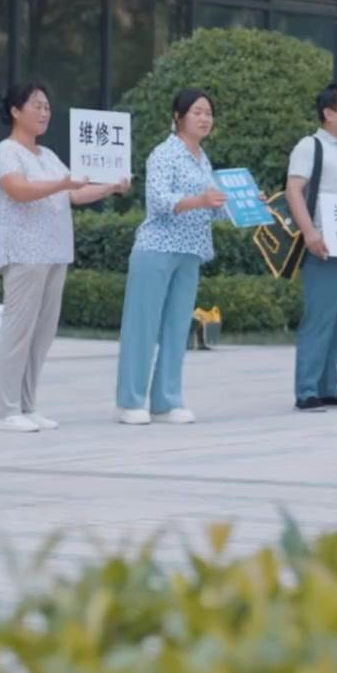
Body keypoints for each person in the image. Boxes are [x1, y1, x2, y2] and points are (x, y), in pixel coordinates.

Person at [0, 79, 128, 432]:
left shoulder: (47, 156)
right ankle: (4, 411)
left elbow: (74, 193)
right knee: (18, 332)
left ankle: (27, 405)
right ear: (15, 111)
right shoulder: (5, 152)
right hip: (24, 253)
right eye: (36, 105)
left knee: (41, 334)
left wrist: (111, 187)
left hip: (55, 252)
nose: (44, 112)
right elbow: (19, 190)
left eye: (47, 107)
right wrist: (63, 184)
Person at [116, 88, 225, 425]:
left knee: (177, 327)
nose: (204, 118)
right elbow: (160, 200)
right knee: (142, 327)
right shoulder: (163, 154)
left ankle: (166, 401)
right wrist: (201, 200)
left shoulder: (203, 159)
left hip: (191, 251)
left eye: (208, 113)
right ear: (178, 117)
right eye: (197, 112)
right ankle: (130, 402)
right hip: (157, 248)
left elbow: (215, 209)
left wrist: (247, 202)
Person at [286, 82, 337, 412]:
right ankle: (307, 389)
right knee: (320, 319)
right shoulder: (310, 146)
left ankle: (328, 385)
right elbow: (293, 190)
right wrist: (309, 233)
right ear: (328, 113)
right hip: (323, 247)